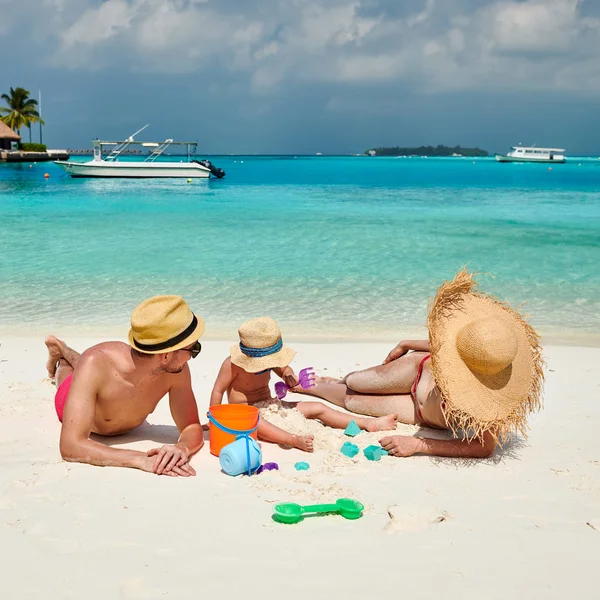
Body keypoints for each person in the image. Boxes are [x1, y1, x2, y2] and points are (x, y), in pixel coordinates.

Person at [293, 269, 544, 458]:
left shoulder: (497, 396)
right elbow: (450, 345)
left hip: (421, 411)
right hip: (419, 370)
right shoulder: (478, 350)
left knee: (352, 401)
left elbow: (484, 448)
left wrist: (418, 445)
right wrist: (406, 343)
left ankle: (315, 386)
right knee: (355, 382)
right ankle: (337, 380)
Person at [45, 295, 206, 477]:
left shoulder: (177, 371)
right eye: (194, 349)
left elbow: (192, 426)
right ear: (166, 356)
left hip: (95, 371)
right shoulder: (96, 363)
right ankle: (60, 354)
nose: (191, 356)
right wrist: (140, 459)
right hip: (74, 400)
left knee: (84, 365)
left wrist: (182, 448)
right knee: (69, 374)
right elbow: (70, 446)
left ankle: (66, 352)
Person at [209, 317, 398, 452]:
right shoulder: (232, 364)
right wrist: (215, 419)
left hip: (272, 405)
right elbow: (218, 390)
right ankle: (292, 440)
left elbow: (283, 369)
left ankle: (368, 423)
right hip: (245, 412)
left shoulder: (270, 357)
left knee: (318, 407)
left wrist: (288, 375)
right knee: (258, 424)